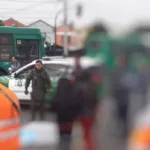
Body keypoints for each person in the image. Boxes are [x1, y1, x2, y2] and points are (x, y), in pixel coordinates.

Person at [51, 68, 81, 150]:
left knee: (61, 134)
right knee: (68, 134)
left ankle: (61, 145)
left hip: (60, 118)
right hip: (69, 119)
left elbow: (53, 106)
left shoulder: (58, 93)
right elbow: (76, 105)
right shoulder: (72, 92)